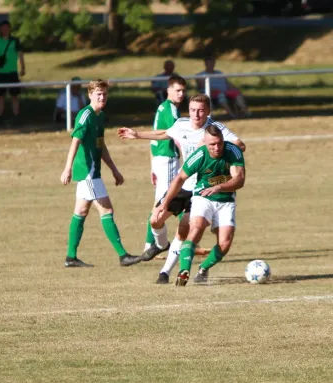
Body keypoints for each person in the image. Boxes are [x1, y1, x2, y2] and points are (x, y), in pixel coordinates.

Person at [118, 94, 245, 283]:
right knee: (155, 219)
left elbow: (240, 145)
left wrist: (214, 145)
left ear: (208, 111)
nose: (196, 114)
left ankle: (166, 272)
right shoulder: (181, 124)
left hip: (202, 189)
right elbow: (164, 134)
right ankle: (161, 244)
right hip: (184, 184)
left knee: (185, 229)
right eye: (193, 109)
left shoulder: (215, 130)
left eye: (201, 110)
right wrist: (137, 135)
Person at [60, 79, 141, 268]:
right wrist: (68, 167)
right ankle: (123, 255)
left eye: (104, 94)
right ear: (90, 95)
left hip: (94, 171)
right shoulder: (85, 115)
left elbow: (100, 145)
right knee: (106, 210)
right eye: (98, 94)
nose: (102, 97)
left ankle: (71, 257)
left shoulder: (100, 116)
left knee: (80, 211)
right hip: (87, 172)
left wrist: (114, 169)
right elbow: (75, 140)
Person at [155, 124, 246, 286]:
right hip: (202, 197)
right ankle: (184, 271)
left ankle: (203, 269)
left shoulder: (233, 151)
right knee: (196, 227)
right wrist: (165, 202)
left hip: (226, 201)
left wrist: (219, 187)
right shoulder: (199, 155)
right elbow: (179, 179)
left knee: (224, 244)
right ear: (204, 142)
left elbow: (239, 179)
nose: (217, 147)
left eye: (219, 143)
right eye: (212, 144)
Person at [143, 75, 186, 254]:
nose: (181, 94)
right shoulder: (170, 111)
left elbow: (154, 138)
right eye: (177, 90)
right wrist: (188, 158)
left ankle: (185, 239)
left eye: (183, 90)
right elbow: (176, 137)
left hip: (160, 160)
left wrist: (152, 165)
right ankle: (154, 245)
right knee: (164, 203)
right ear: (168, 90)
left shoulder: (162, 107)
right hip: (167, 159)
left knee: (171, 200)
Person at [0, 20, 25, 124]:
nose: (5, 30)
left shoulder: (15, 41)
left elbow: (20, 54)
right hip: (0, 72)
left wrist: (23, 67)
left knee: (14, 96)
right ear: (0, 29)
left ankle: (17, 116)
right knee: (0, 96)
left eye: (7, 27)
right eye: (3, 28)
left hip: (12, 72)